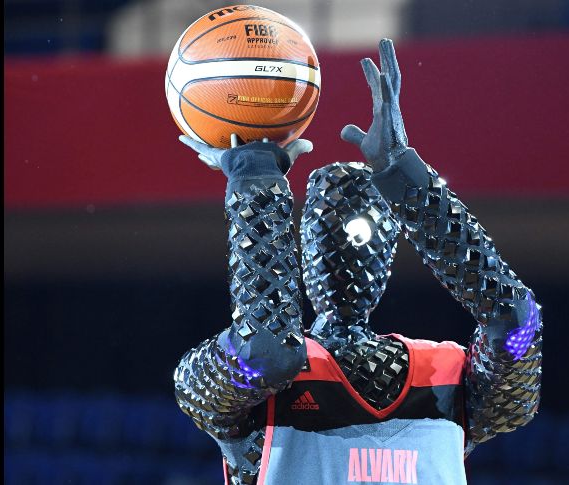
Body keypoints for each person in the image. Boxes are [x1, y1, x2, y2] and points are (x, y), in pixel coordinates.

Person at [175, 38, 542, 485]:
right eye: (325, 236)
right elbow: (265, 351)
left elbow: (517, 321)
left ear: (390, 249)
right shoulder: (258, 379)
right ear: (303, 250)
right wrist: (257, 180)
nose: (346, 252)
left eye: (363, 234)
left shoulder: (447, 377)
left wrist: (407, 178)